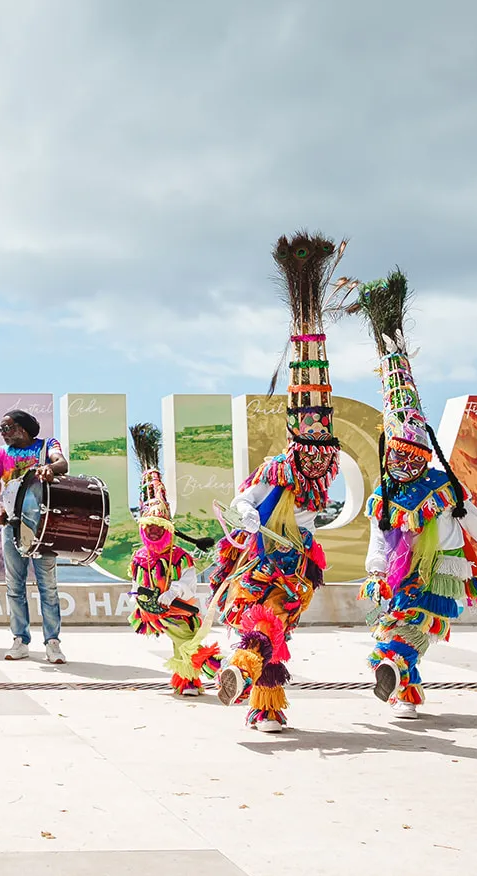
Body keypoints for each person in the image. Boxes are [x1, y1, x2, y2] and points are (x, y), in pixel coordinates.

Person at [355, 272, 477, 718]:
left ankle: (395, 670)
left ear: (423, 455)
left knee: (418, 624)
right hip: (397, 572)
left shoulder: (442, 489)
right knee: (390, 627)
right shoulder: (384, 494)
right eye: (396, 457)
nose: (402, 465)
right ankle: (403, 687)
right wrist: (375, 566)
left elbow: (471, 517)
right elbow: (378, 536)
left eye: (409, 457)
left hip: (440, 567)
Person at [208, 233, 344, 733]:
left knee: (276, 627)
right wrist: (247, 514)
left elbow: (313, 515)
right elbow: (247, 501)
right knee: (262, 624)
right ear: (295, 443)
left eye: (322, 450)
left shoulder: (320, 475)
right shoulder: (277, 471)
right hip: (263, 560)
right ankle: (243, 677)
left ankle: (263, 701)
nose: (314, 458)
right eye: (307, 448)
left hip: (298, 566)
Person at [126, 423, 220, 695]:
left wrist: (173, 591)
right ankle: (208, 672)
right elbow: (135, 580)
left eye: (158, 528)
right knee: (183, 641)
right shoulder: (140, 557)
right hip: (151, 610)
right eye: (149, 529)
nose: (153, 533)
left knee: (185, 639)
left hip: (177, 608)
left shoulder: (179, 557)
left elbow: (189, 583)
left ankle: (207, 672)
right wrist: (137, 596)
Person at [0, 409, 69, 663]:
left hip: (43, 526)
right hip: (12, 523)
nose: (3, 433)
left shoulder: (46, 446)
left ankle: (52, 642)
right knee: (14, 585)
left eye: (7, 428)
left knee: (48, 586)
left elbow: (62, 463)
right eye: (1, 429)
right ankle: (20, 639)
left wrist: (50, 467)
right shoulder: (1, 453)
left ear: (22, 428)